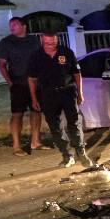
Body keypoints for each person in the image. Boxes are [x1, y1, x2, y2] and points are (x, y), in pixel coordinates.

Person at [27, 31, 93, 168]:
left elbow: (76, 73)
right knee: (55, 126)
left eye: (53, 42)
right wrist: (34, 98)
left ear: (57, 40)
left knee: (74, 123)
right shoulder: (35, 56)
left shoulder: (66, 52)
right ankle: (67, 155)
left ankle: (81, 152)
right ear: (42, 41)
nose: (51, 45)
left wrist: (80, 93)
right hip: (48, 94)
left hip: (68, 91)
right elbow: (32, 79)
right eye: (48, 43)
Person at [0, 17, 47, 156]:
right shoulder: (6, 42)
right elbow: (1, 64)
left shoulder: (34, 41)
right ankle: (16, 146)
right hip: (18, 83)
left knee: (36, 111)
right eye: (10, 25)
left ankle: (35, 142)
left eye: (15, 24)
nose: (11, 27)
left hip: (36, 84)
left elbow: (42, 59)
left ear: (24, 26)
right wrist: (9, 82)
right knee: (17, 114)